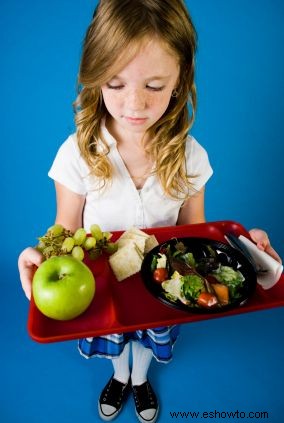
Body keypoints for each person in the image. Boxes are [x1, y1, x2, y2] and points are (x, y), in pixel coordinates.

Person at [18, 1, 281, 422]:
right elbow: (66, 231)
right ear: (95, 75)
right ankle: (119, 376)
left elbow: (200, 234)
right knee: (115, 346)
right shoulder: (77, 154)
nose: (134, 104)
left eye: (154, 86)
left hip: (164, 288)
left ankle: (139, 380)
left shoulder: (192, 157)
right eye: (115, 83)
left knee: (149, 343)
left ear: (180, 81)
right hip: (101, 291)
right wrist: (38, 257)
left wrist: (248, 252)